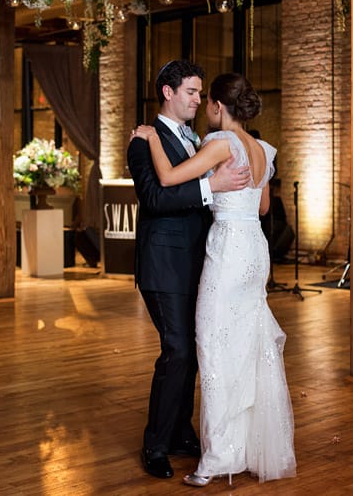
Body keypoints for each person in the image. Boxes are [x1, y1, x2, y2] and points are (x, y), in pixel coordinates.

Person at [132, 72, 296, 487]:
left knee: (216, 351)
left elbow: (168, 179)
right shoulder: (261, 148)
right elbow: (261, 208)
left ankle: (219, 455)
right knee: (247, 348)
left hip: (226, 253)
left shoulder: (219, 143)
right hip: (254, 253)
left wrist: (151, 138)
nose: (202, 104)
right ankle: (246, 445)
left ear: (219, 107)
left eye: (206, 99)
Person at [126, 60, 251, 481]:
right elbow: (155, 200)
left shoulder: (197, 138)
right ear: (168, 92)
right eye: (192, 92)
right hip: (164, 264)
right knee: (177, 350)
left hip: (201, 262)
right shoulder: (144, 140)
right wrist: (211, 187)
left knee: (195, 351)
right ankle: (155, 445)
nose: (199, 100)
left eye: (200, 94)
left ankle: (181, 432)